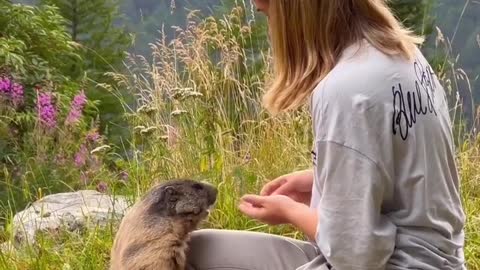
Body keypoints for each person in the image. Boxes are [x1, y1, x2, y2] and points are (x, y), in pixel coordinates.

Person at [186, 0, 467, 269]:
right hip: (438, 260)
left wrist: (290, 212)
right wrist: (320, 179)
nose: (271, 30)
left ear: (294, 12)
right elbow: (404, 170)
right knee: (200, 248)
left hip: (393, 264)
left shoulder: (345, 90)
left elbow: (356, 255)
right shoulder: (401, 55)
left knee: (192, 258)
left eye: (267, 15)